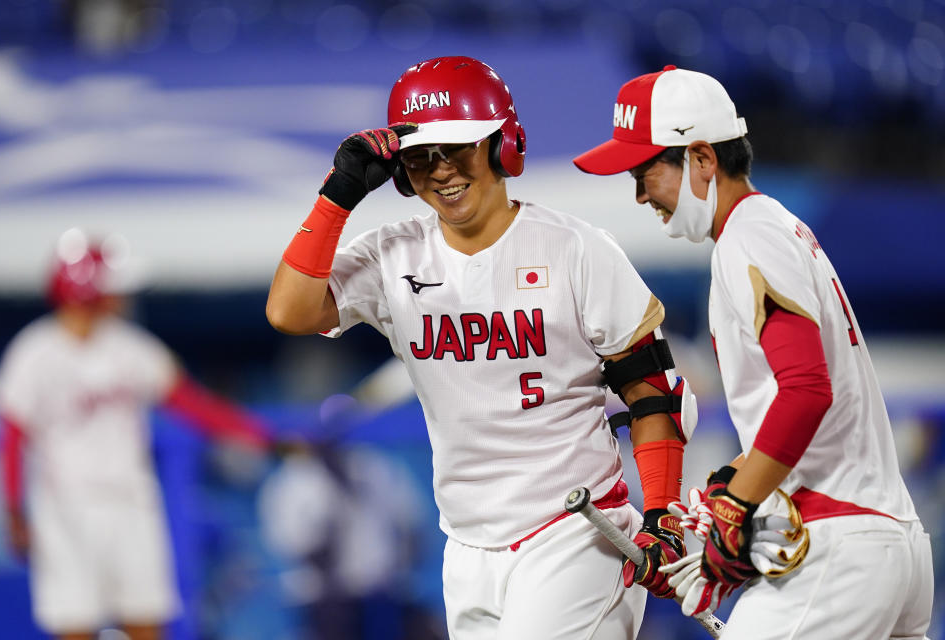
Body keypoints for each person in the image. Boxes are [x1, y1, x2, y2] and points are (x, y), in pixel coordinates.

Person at [265, 56, 699, 640]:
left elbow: (652, 389)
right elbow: (287, 311)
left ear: (503, 145)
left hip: (575, 529)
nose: (440, 171)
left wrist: (663, 513)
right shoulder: (391, 252)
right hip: (466, 542)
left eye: (457, 149)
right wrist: (338, 195)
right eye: (420, 157)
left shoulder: (576, 249)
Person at [573, 65, 934, 639]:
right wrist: (729, 481)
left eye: (644, 171)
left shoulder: (750, 236)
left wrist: (734, 508)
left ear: (702, 158)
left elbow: (807, 391)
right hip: (887, 541)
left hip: (838, 546)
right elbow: (811, 402)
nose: (639, 193)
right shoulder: (777, 229)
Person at [0, 228, 272, 640]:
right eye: (109, 285)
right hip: (64, 510)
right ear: (83, 288)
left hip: (130, 503)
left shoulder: (131, 347)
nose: (119, 294)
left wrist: (260, 435)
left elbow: (190, 404)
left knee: (145, 621)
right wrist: (13, 510)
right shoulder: (34, 353)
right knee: (74, 625)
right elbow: (12, 437)